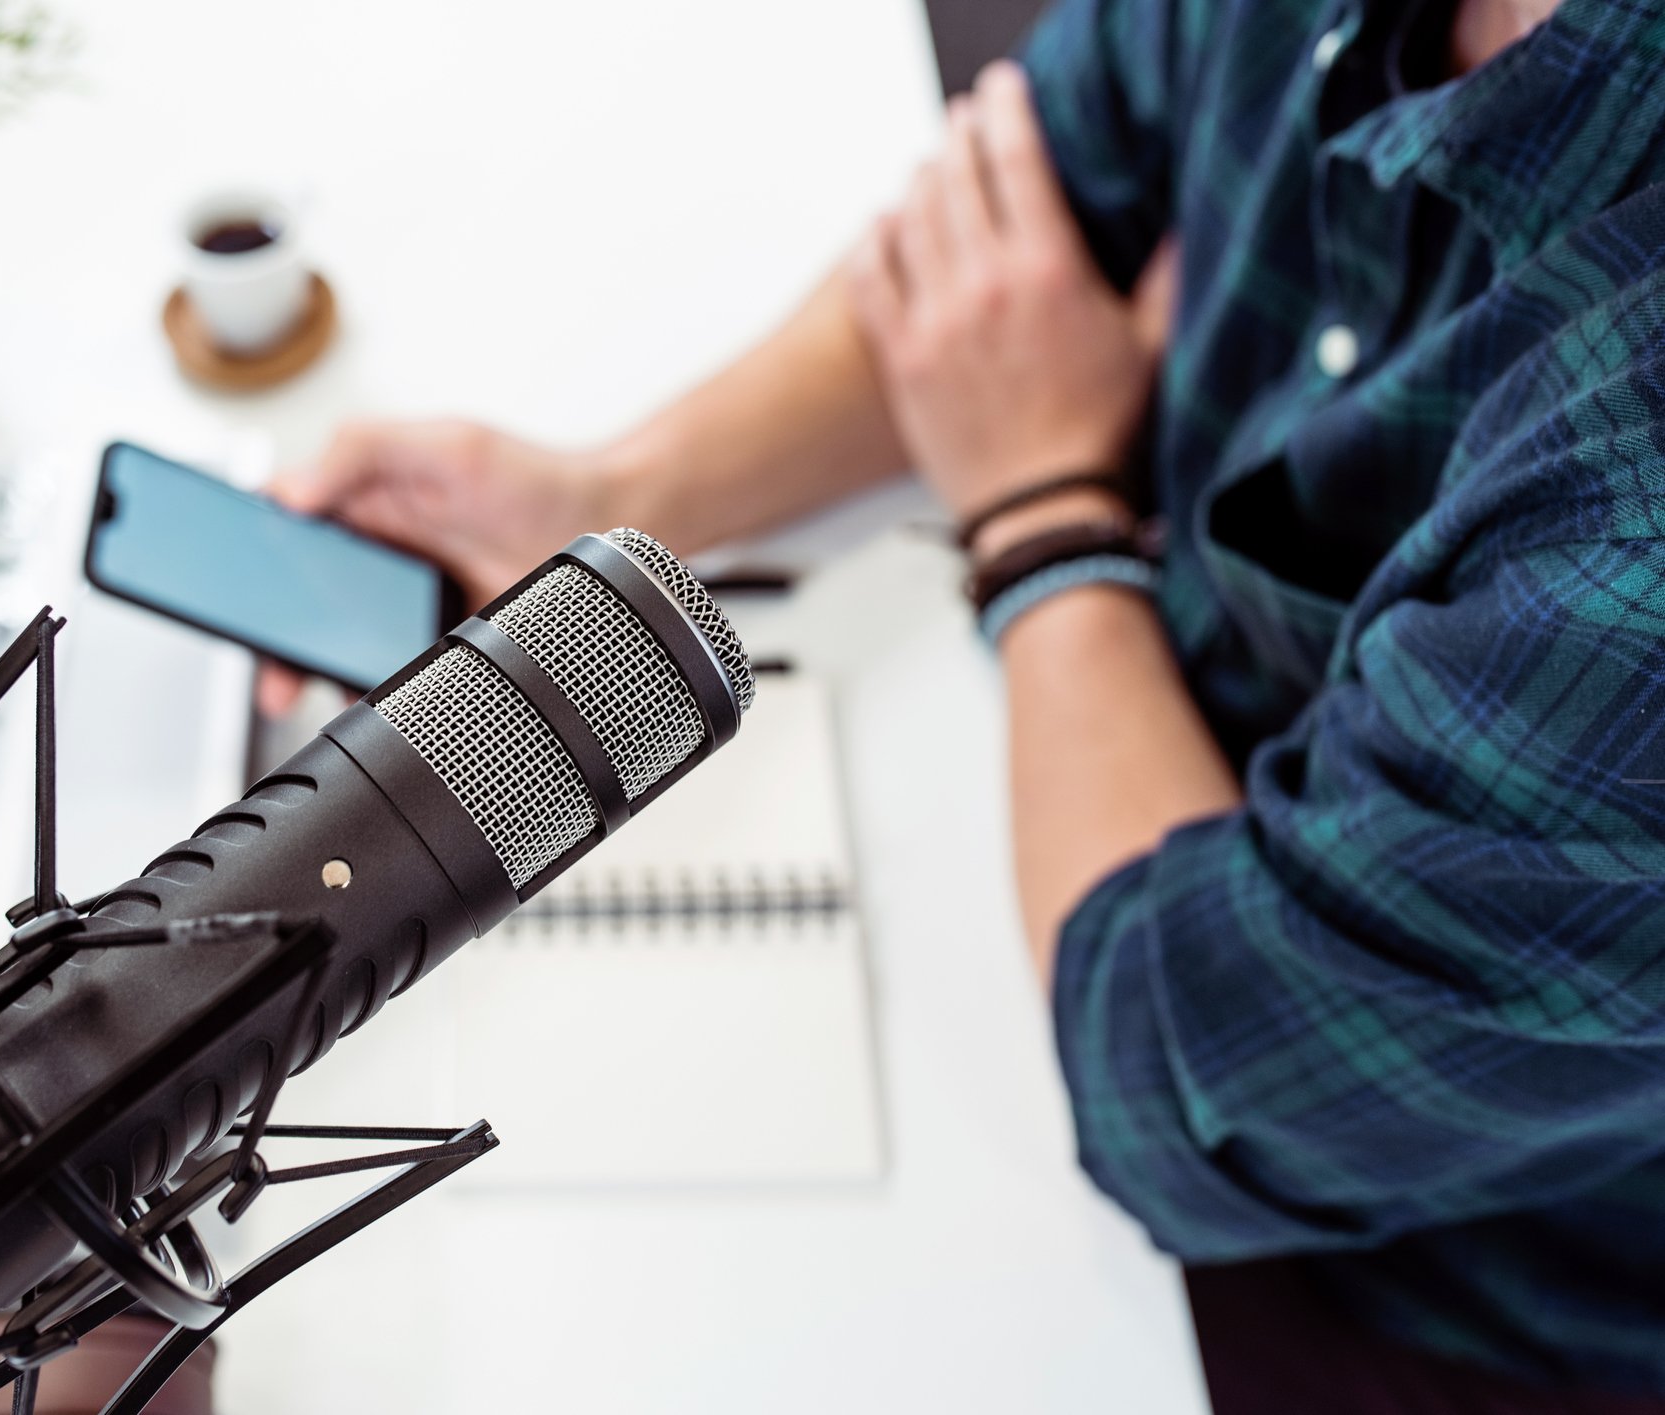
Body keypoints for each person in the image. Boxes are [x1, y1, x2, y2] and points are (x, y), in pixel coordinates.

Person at [263, 0, 1665, 1407]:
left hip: (1421, 1264)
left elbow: (1174, 1084)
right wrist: (614, 501)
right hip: (1124, 788)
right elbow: (1004, 248)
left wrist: (1044, 514)